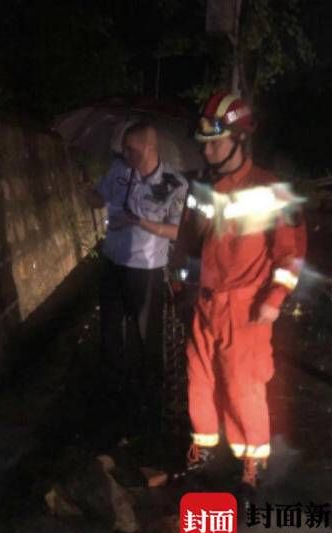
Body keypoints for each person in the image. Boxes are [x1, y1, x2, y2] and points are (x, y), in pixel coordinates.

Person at [176, 92, 306, 490]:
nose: (209, 150)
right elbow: (189, 244)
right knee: (200, 381)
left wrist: (273, 301)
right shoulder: (204, 189)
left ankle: (253, 468)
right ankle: (205, 453)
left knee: (242, 386)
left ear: (240, 139)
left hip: (246, 308)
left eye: (216, 141)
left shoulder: (273, 190)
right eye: (205, 143)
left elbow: (292, 255)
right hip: (206, 303)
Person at [83, 120, 188, 434]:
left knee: (147, 341)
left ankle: (151, 406)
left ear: (148, 148)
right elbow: (99, 197)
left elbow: (179, 230)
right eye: (124, 148)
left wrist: (139, 222)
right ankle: (114, 398)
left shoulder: (173, 183)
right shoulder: (119, 170)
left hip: (147, 272)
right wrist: (89, 193)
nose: (124, 152)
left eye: (130, 148)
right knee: (111, 335)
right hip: (113, 264)